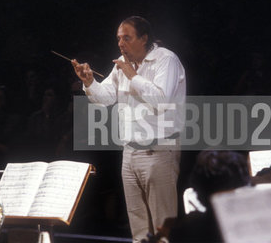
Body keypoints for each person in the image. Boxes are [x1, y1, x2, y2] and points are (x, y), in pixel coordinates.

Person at [72, 16, 186, 242]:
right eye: (118, 39)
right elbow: (105, 98)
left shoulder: (166, 60)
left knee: (162, 228)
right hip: (130, 153)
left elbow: (160, 100)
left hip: (158, 151)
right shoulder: (124, 65)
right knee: (139, 229)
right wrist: (89, 82)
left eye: (127, 38)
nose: (120, 44)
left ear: (144, 39)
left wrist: (132, 75)